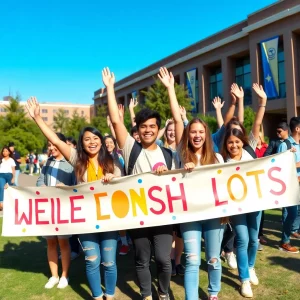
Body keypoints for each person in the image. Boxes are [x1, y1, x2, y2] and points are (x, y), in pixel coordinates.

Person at [26, 96, 121, 300]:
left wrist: (114, 177)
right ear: (81, 143)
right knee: (92, 261)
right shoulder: (77, 159)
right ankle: (97, 296)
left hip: (109, 220)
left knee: (110, 262)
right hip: (86, 221)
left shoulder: (111, 161)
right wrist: (38, 119)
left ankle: (110, 295)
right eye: (87, 139)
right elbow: (57, 141)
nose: (92, 142)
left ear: (100, 142)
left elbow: (123, 181)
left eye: (95, 138)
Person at [103, 67, 174, 300]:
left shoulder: (168, 154)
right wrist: (111, 88)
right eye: (143, 126)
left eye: (152, 126)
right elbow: (115, 120)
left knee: (164, 259)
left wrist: (171, 89)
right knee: (142, 259)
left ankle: (163, 292)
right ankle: (146, 295)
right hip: (138, 215)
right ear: (138, 130)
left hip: (163, 216)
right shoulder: (131, 149)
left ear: (158, 128)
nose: (148, 130)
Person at [159, 66, 225, 300]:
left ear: (206, 135)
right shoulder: (180, 154)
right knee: (192, 259)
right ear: (188, 135)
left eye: (201, 132)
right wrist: (170, 89)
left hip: (213, 214)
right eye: (193, 131)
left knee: (214, 258)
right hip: (189, 214)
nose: (196, 135)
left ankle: (213, 292)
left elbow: (224, 185)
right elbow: (177, 119)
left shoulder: (216, 158)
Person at [221, 83, 267, 298]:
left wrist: (263, 102)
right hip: (236, 206)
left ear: (243, 141)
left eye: (237, 141)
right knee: (242, 239)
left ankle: (250, 266)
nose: (234, 145)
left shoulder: (250, 149)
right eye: (230, 142)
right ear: (226, 144)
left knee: (254, 240)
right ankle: (244, 279)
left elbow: (257, 122)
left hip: (256, 203)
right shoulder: (222, 160)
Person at [36, 132, 76, 289]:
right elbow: (39, 180)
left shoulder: (70, 164)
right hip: (48, 209)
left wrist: (66, 188)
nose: (51, 147)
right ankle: (54, 276)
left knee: (63, 242)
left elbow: (76, 186)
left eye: (53, 144)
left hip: (64, 209)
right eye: (49, 145)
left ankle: (65, 276)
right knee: (51, 242)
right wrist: (42, 187)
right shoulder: (47, 164)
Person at [103, 135, 130, 256]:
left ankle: (125, 243)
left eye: (111, 142)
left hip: (119, 192)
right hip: (104, 192)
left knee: (121, 221)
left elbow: (123, 174)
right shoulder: (100, 158)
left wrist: (114, 177)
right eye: (106, 143)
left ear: (115, 144)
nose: (108, 144)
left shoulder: (119, 157)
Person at [277, 117, 300, 253]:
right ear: (297, 129)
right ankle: (284, 241)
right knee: (290, 213)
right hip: (289, 185)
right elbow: (278, 166)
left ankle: (292, 232)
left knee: (296, 212)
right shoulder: (285, 144)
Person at [0, 146, 16, 211]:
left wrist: (13, 178)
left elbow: (13, 170)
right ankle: (1, 203)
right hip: (1, 175)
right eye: (3, 151)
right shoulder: (1, 159)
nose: (4, 152)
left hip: (9, 175)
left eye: (6, 151)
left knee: (11, 187)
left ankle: (14, 201)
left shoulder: (11, 160)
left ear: (9, 152)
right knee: (1, 187)